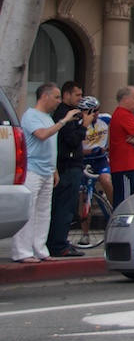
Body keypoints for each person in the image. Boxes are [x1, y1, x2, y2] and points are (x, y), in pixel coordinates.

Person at [11, 84, 75, 263]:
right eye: (56, 97)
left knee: (44, 212)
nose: (59, 101)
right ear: (44, 96)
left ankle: (40, 249)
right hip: (32, 170)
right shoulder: (31, 115)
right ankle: (22, 252)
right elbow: (42, 135)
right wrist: (64, 121)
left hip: (47, 171)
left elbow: (50, 147)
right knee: (29, 212)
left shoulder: (47, 118)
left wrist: (54, 170)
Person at [48, 80, 92, 257]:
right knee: (64, 207)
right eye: (77, 95)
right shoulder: (64, 115)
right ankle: (58, 245)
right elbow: (71, 140)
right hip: (67, 167)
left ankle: (57, 242)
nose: (81, 98)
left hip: (71, 166)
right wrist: (84, 126)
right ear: (67, 95)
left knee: (64, 207)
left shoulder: (71, 114)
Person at [79, 95, 113, 203]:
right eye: (93, 111)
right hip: (84, 160)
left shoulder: (105, 119)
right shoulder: (78, 124)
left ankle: (115, 206)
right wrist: (91, 151)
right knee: (82, 193)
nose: (96, 113)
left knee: (106, 180)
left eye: (97, 109)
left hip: (100, 159)